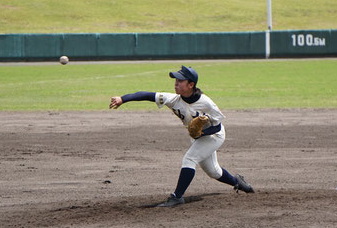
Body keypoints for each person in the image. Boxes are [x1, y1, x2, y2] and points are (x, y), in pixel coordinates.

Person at [109, 65, 254, 207]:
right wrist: (122, 99)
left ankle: (177, 197)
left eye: (180, 81)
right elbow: (147, 95)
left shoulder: (206, 103)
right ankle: (238, 182)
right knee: (213, 171)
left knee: (189, 159)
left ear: (191, 85)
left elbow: (217, 126)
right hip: (198, 138)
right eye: (176, 80)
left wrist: (202, 132)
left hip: (214, 136)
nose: (176, 83)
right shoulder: (173, 99)